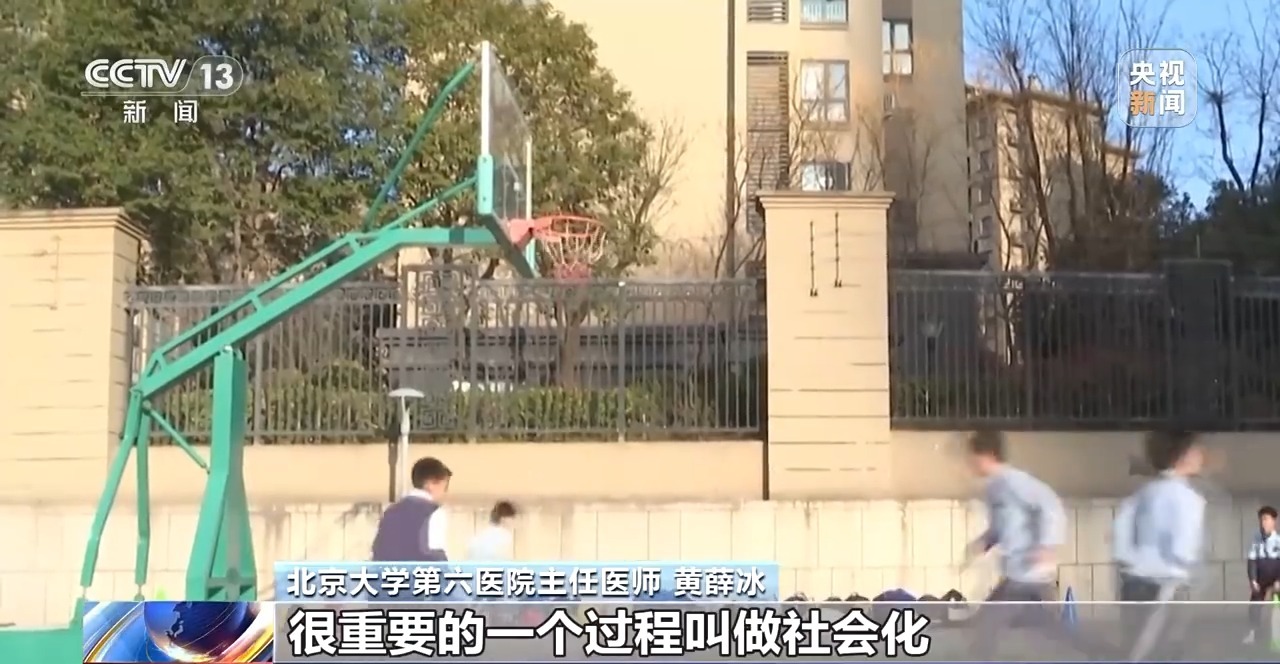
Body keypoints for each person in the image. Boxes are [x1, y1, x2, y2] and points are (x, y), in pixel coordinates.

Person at [959, 429, 1112, 660]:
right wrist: (983, 543)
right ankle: (1101, 651)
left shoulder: (1015, 482)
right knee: (1051, 627)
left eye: (972, 457)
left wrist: (1046, 546)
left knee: (986, 625)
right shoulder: (993, 488)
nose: (969, 463)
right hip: (1019, 573)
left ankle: (1103, 652)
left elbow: (1050, 505)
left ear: (987, 455)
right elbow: (1002, 527)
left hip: (1029, 573)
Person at [1112, 430, 1206, 660]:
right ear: (1182, 457)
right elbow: (1184, 548)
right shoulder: (1188, 498)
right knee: (1163, 649)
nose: (1201, 456)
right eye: (1196, 451)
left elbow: (1120, 530)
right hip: (1167, 584)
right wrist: (1189, 569)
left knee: (1136, 649)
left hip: (1134, 580)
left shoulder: (1143, 492)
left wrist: (1127, 564)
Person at [371, 456, 452, 561]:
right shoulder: (434, 513)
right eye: (445, 487)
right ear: (432, 483)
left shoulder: (389, 512)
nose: (445, 492)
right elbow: (437, 557)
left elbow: (377, 552)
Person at [1244, 505, 1280, 644]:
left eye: (1266, 519)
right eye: (1261, 519)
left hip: (1276, 577)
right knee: (1254, 605)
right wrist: (1253, 580)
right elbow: (1252, 560)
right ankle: (1253, 633)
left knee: (1277, 605)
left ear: (1273, 521)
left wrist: (1279, 580)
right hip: (1261, 577)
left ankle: (1277, 635)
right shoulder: (1256, 538)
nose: (1262, 523)